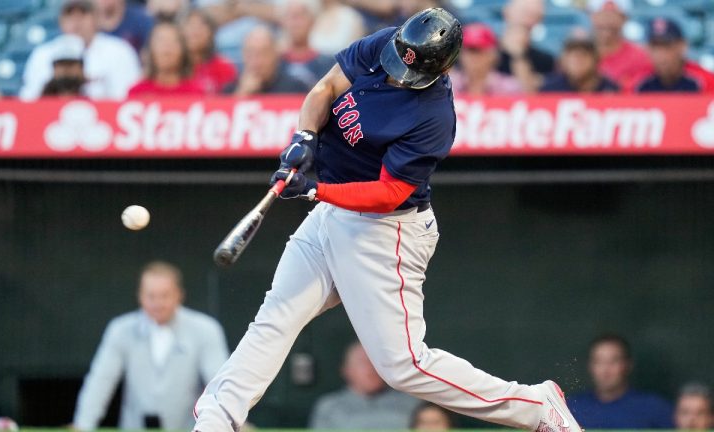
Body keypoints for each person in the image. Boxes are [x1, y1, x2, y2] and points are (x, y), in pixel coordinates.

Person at [192, 8, 582, 432]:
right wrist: (303, 137)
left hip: (384, 232)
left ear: (443, 66)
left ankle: (534, 405)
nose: (399, 75)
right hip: (333, 216)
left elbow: (386, 194)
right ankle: (216, 417)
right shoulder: (390, 43)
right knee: (277, 314)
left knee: (405, 365)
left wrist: (312, 189)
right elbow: (325, 89)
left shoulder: (434, 117)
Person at [73, 261, 229, 431]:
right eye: (151, 296)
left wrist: (232, 422)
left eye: (164, 295)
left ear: (179, 295)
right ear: (140, 296)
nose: (158, 303)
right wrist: (83, 425)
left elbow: (218, 384)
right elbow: (101, 381)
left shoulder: (206, 329)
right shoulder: (120, 330)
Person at [20, 0, 141, 100]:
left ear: (96, 19)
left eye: (83, 13)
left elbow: (129, 99)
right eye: (69, 14)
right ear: (60, 21)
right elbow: (29, 99)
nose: (76, 21)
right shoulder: (43, 54)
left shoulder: (120, 51)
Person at [567, 334, 674, 428]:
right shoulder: (572, 407)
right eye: (598, 361)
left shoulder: (655, 408)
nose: (605, 370)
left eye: (613, 361)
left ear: (628, 365)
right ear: (590, 366)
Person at [308, 342, 420, 429]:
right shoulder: (329, 407)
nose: (371, 368)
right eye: (363, 362)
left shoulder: (413, 403)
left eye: (377, 362)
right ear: (346, 370)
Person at [224, 26, 309, 95]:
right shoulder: (229, 91)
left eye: (263, 54)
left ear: (275, 54)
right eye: (250, 54)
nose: (257, 62)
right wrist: (242, 94)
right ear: (243, 55)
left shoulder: (296, 89)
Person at [588, 0, 653, 91]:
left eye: (613, 15)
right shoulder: (581, 54)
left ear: (624, 18)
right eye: (603, 14)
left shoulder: (639, 56)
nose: (607, 21)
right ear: (592, 17)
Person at [128, 20, 202, 97]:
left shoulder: (196, 92)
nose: (167, 47)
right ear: (150, 49)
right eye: (161, 40)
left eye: (173, 41)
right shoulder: (137, 92)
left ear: (183, 50)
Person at [449, 23, 523, 96]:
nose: (473, 57)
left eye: (478, 51)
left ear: (492, 55)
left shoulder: (509, 87)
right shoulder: (448, 85)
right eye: (469, 50)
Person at [497, 0, 555, 93]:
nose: (526, 18)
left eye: (532, 13)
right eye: (523, 11)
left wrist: (518, 55)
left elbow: (532, 93)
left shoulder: (545, 61)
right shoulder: (481, 52)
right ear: (506, 12)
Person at [279, 0, 335, 89]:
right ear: (282, 22)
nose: (295, 24)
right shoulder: (273, 64)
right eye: (290, 17)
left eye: (300, 16)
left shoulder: (328, 64)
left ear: (312, 21)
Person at [636, 18, 701, 93]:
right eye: (654, 46)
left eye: (667, 45)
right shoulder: (639, 82)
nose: (660, 54)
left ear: (682, 46)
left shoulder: (704, 81)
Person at [181, 8, 237, 94]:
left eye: (201, 26)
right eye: (190, 25)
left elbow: (228, 102)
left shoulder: (224, 67)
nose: (195, 31)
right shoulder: (174, 66)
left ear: (211, 32)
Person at [540, 37, 619, 93]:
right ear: (564, 61)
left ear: (595, 60)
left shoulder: (609, 89)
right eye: (573, 57)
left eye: (583, 56)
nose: (578, 62)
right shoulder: (551, 88)